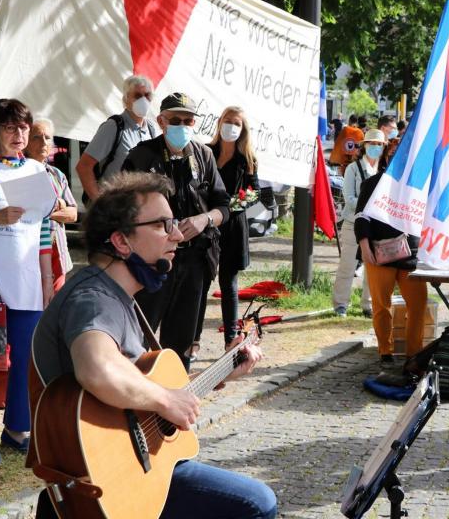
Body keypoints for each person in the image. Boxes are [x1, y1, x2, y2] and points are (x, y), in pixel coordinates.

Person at [27, 171, 277, 518]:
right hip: (110, 477)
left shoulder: (118, 297)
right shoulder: (94, 300)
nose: (176, 234)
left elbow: (139, 389)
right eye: (162, 224)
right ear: (121, 242)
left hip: (126, 471)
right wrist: (164, 398)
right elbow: (95, 368)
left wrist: (226, 369)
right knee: (257, 504)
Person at [0, 99, 55, 466]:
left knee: (26, 358)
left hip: (28, 284)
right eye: (10, 128)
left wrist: (48, 278)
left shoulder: (38, 170)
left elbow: (45, 230)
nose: (19, 135)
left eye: (23, 128)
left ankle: (17, 428)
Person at [122, 92, 230, 371]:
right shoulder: (142, 156)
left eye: (188, 120)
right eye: (175, 120)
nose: (182, 126)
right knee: (139, 336)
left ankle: (173, 396)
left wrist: (204, 220)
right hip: (152, 261)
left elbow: (223, 207)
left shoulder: (204, 155)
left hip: (194, 260)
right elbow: (122, 208)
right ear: (161, 121)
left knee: (181, 339)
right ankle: (131, 396)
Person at [354, 144, 426, 366]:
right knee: (381, 305)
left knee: (418, 303)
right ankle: (385, 350)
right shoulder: (373, 184)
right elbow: (361, 217)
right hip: (379, 254)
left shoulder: (419, 186)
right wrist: (365, 248)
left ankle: (414, 353)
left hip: (409, 254)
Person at [209, 106, 259, 347]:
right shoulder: (205, 152)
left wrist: (230, 209)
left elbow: (254, 193)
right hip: (205, 226)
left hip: (232, 228)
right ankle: (192, 339)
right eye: (227, 121)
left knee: (228, 285)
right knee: (197, 283)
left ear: (243, 129)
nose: (231, 126)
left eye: (236, 123)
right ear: (219, 123)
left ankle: (231, 339)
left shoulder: (247, 159)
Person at [77, 75, 160, 202]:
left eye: (147, 95)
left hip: (140, 209)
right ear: (126, 100)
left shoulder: (151, 129)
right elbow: (84, 166)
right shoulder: (114, 126)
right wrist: (100, 204)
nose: (143, 100)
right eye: (137, 96)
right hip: (114, 208)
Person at [332, 129, 384, 317]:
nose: (375, 147)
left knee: (373, 268)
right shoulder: (353, 169)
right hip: (353, 223)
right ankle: (340, 304)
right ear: (364, 146)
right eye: (372, 144)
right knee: (347, 265)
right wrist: (370, 205)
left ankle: (368, 305)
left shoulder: (383, 170)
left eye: (379, 144)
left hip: (376, 226)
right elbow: (349, 198)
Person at [25, 118, 77, 291]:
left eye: (47, 137)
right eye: (36, 137)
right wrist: (57, 206)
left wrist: (43, 210)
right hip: (29, 251)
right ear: (26, 142)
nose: (43, 142)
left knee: (54, 308)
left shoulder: (57, 175)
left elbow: (73, 214)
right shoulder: (18, 171)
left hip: (57, 253)